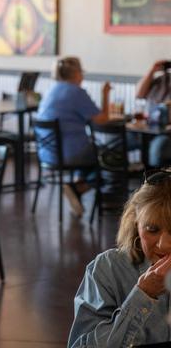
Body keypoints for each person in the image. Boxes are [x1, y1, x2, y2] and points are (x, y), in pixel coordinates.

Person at [68, 170, 171, 347]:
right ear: (136, 223)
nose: (163, 245)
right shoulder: (107, 269)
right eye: (152, 230)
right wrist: (142, 296)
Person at [35, 56, 110, 216]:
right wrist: (105, 94)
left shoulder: (51, 90)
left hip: (47, 154)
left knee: (91, 152)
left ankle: (77, 189)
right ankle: (84, 190)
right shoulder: (76, 92)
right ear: (76, 73)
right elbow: (102, 119)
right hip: (69, 155)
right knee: (110, 155)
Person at [135, 60, 171, 167]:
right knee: (118, 141)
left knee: (156, 151)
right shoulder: (157, 81)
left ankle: (156, 180)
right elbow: (138, 94)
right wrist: (152, 70)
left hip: (166, 134)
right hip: (144, 130)